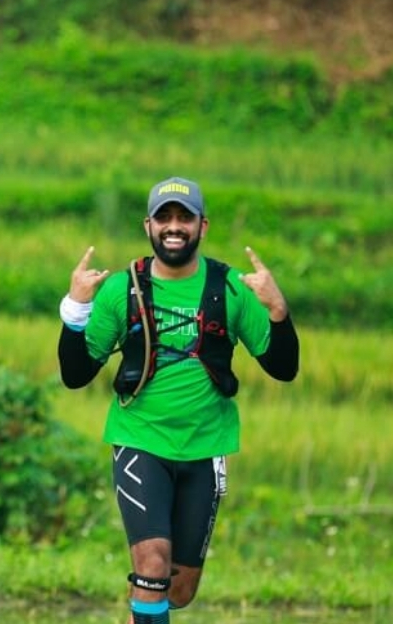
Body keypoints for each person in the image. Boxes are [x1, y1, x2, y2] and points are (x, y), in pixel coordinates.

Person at [56, 176, 300, 624]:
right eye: (164, 218)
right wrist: (76, 309)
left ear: (202, 226)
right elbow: (75, 375)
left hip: (206, 447)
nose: (174, 227)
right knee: (150, 566)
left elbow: (283, 368)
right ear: (147, 225)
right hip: (139, 440)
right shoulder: (121, 289)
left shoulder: (230, 289)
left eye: (183, 218)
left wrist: (278, 312)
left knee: (178, 588)